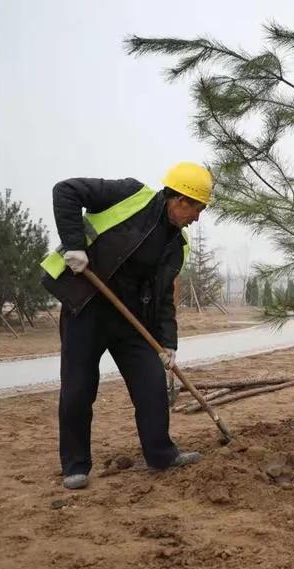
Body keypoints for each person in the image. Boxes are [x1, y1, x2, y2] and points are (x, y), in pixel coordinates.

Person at [40, 162, 211, 489]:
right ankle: (75, 465)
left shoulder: (179, 245)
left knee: (151, 385)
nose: (197, 218)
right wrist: (74, 245)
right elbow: (66, 191)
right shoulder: (130, 195)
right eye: (197, 209)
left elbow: (163, 299)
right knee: (78, 388)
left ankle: (161, 454)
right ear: (181, 200)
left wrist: (168, 344)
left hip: (132, 320)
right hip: (87, 308)